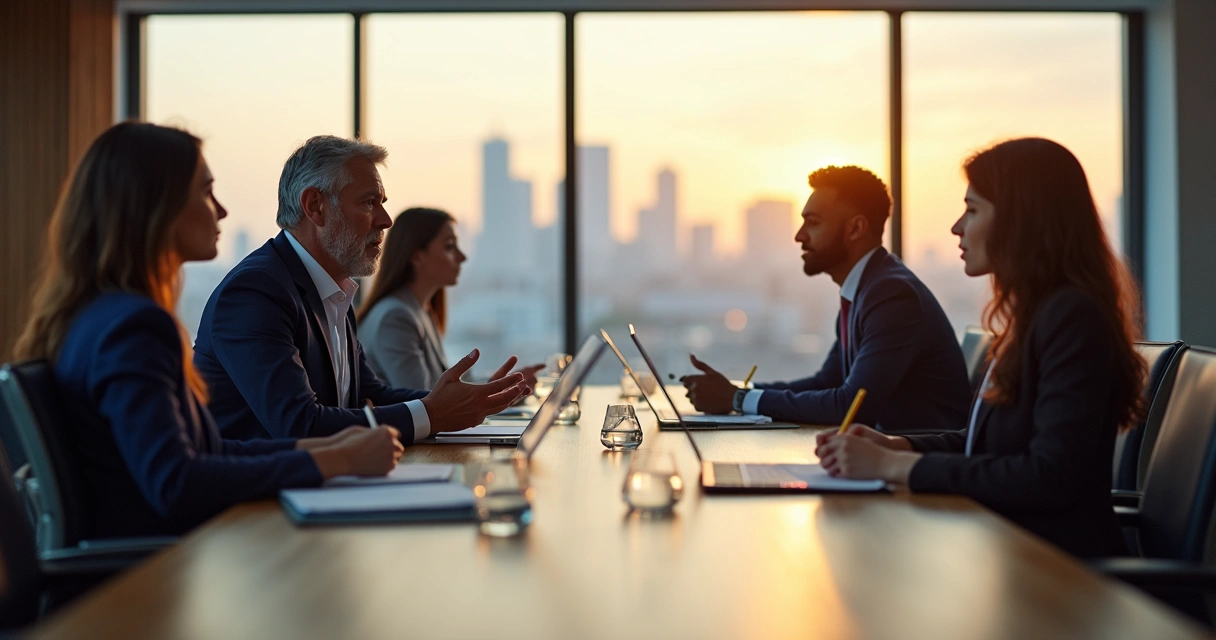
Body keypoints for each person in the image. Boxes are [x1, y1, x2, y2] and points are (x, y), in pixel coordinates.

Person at [13, 122, 404, 538]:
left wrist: (330, 449)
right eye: (205, 192)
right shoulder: (135, 326)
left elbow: (208, 451)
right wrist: (336, 461)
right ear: (153, 206)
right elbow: (178, 481)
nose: (220, 210)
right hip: (148, 581)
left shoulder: (101, 316)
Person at [815, 138, 1145, 559]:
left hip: (1060, 575)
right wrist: (896, 445)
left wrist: (892, 467)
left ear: (1020, 221)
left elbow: (1050, 476)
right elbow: (986, 444)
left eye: (972, 210)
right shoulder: (1036, 314)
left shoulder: (1070, 317)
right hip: (1011, 552)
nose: (957, 227)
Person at [193, 136, 529, 445]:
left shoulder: (332, 289)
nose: (386, 220)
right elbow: (300, 425)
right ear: (315, 206)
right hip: (254, 508)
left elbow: (369, 394)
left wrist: (469, 398)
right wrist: (433, 413)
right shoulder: (256, 292)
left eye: (382, 203)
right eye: (370, 202)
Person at [681, 165, 971, 434]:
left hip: (913, 471)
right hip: (882, 458)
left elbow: (850, 406)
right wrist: (734, 391)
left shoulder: (892, 294)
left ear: (855, 229)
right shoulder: (866, 288)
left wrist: (738, 398)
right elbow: (827, 383)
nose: (799, 236)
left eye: (813, 223)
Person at [356, 207, 543, 390]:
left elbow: (436, 392)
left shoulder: (420, 310)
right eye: (449, 246)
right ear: (417, 257)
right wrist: (494, 390)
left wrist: (498, 386)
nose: (461, 257)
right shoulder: (395, 318)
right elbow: (423, 401)